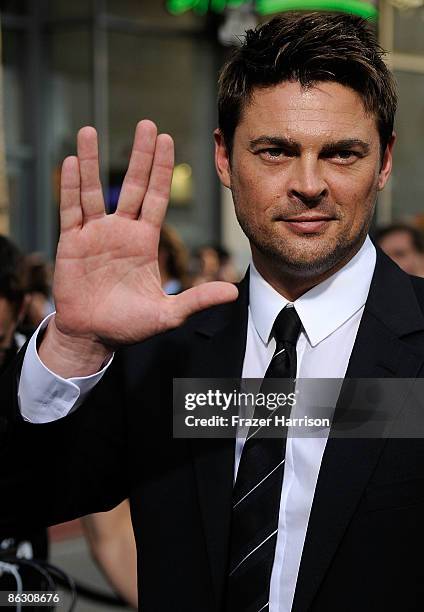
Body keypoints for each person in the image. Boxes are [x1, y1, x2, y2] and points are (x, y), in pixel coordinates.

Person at [1, 11, 424, 612]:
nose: (309, 183)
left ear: (383, 162)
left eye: (342, 154)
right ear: (224, 159)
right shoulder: (163, 357)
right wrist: (74, 343)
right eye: (276, 151)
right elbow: (19, 499)